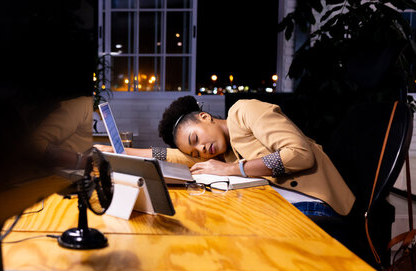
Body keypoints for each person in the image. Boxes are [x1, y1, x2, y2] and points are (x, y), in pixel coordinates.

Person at [96, 96, 355, 217]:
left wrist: (234, 170)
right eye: (195, 151)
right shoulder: (224, 151)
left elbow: (299, 155)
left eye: (196, 139)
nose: (201, 150)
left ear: (205, 117)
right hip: (288, 203)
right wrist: (118, 151)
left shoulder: (244, 111)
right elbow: (174, 156)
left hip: (319, 203)